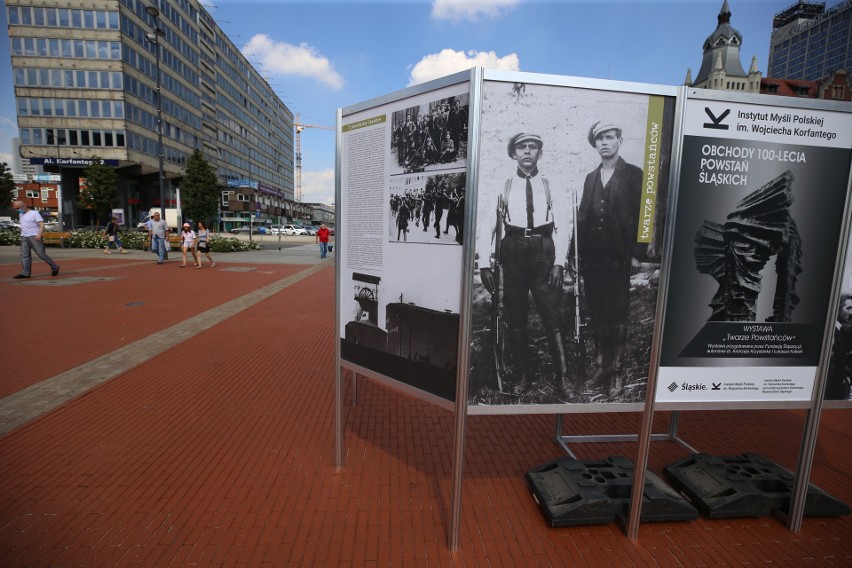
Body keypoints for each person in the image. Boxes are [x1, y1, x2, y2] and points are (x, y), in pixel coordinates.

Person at [477, 133, 571, 398]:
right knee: (515, 317)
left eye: (533, 147)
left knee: (553, 314)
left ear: (540, 152)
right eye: (521, 147)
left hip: (543, 252)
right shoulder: (503, 186)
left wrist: (560, 263)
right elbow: (487, 227)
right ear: (513, 153)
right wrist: (484, 263)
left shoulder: (551, 185)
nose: (527, 151)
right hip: (514, 252)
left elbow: (563, 227)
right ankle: (523, 374)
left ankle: (563, 376)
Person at [569, 122, 644, 397]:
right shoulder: (591, 178)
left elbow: (644, 218)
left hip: (618, 258)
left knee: (617, 315)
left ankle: (616, 373)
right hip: (593, 260)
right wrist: (572, 254)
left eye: (610, 137)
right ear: (595, 143)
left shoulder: (634, 175)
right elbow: (582, 217)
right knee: (597, 313)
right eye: (600, 138)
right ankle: (601, 365)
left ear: (619, 141)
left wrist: (637, 252)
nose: (604, 142)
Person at [12, 199, 60, 279]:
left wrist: (39, 234)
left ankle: (55, 267)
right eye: (15, 209)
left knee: (41, 254)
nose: (17, 210)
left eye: (18, 208)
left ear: (23, 206)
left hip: (34, 236)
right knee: (24, 255)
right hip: (24, 236)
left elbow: (41, 225)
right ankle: (25, 273)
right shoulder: (21, 215)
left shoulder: (34, 213)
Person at [825, 295, 852, 400]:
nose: (851, 312)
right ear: (836, 309)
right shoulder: (832, 332)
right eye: (848, 308)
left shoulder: (839, 331)